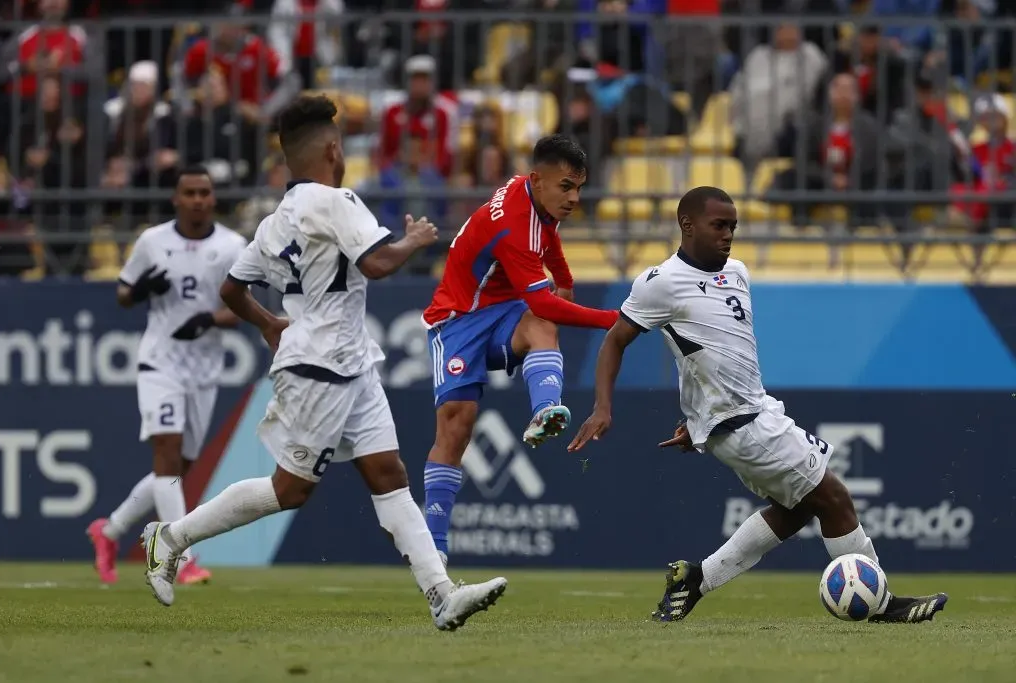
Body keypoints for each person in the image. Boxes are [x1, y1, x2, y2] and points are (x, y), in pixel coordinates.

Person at [140, 95, 508, 632]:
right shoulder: (337, 202)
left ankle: (441, 594)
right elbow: (378, 263)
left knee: (390, 475)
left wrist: (268, 322)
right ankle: (170, 537)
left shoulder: (274, 222)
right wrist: (415, 238)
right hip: (319, 365)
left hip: (350, 361)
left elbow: (231, 288)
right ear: (334, 149)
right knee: (289, 490)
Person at [568, 186, 948, 624]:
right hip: (744, 426)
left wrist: (700, 421)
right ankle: (881, 604)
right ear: (687, 225)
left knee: (800, 507)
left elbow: (715, 353)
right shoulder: (661, 283)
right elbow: (615, 341)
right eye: (718, 225)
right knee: (835, 498)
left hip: (755, 411)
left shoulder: (739, 272)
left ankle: (695, 580)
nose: (728, 234)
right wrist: (602, 407)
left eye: (733, 226)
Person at [420, 134, 619, 565]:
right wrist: (613, 320)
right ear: (538, 180)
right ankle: (432, 546)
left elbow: (548, 240)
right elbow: (545, 297)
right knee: (457, 427)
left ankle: (546, 409)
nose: (574, 198)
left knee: (542, 319)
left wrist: (564, 277)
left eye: (579, 187)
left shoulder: (536, 198)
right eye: (567, 187)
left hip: (504, 308)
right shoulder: (513, 222)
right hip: (457, 320)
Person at [86, 166, 246, 586]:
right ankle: (182, 556)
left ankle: (110, 530)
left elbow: (244, 308)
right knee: (167, 455)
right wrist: (139, 292)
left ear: (213, 199)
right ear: (176, 198)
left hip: (204, 369)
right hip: (161, 362)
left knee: (174, 469)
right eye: (189, 192)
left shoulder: (233, 245)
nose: (197, 199)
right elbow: (123, 291)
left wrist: (210, 319)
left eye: (204, 192)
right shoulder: (152, 241)